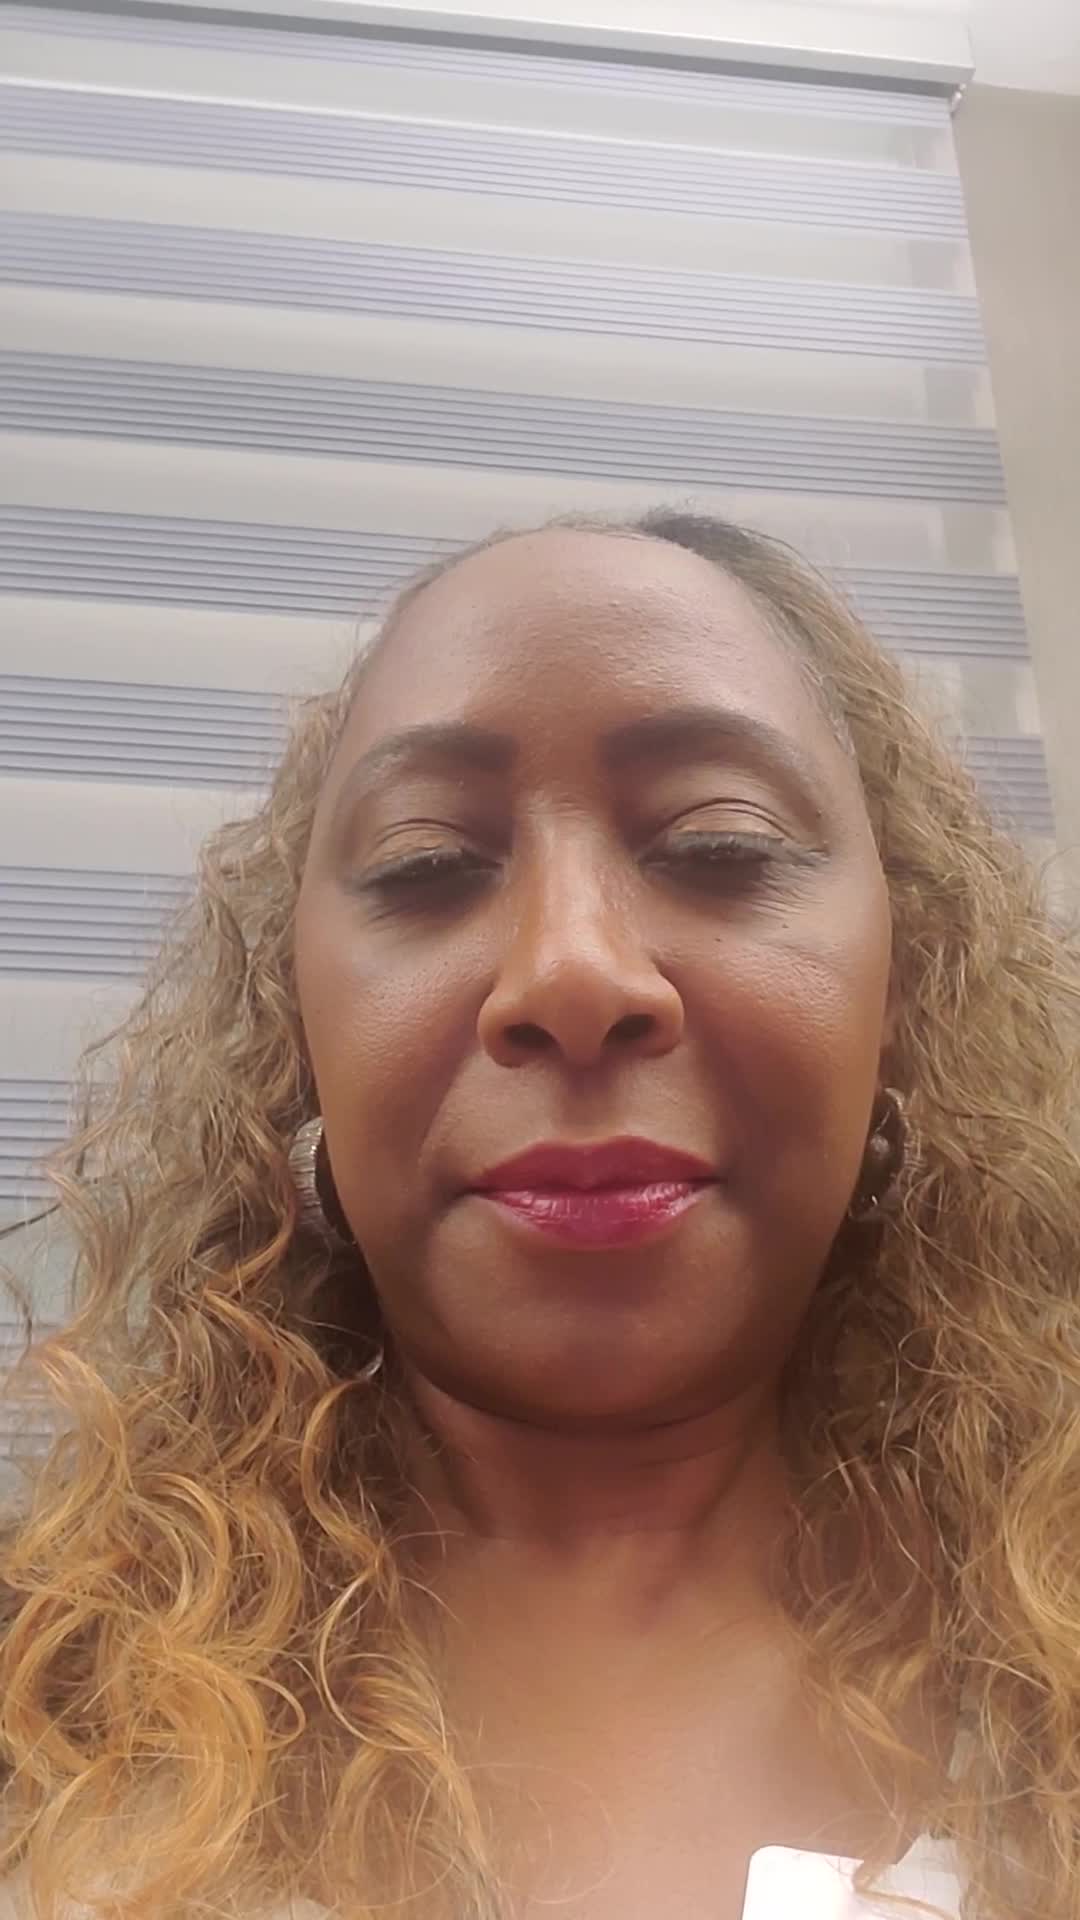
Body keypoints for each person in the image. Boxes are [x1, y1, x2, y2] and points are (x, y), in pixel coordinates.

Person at [1, 509, 1078, 1920]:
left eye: (721, 842)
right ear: (298, 1032)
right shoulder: (38, 1713)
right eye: (427, 864)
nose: (571, 973)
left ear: (903, 988)